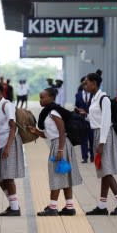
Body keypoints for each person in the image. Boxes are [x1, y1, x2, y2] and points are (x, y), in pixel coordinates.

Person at [83, 71, 117, 215]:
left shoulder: (103, 99)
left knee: (106, 170)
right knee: (104, 171)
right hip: (98, 133)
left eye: (87, 82)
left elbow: (105, 122)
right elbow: (97, 120)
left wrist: (102, 142)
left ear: (94, 83)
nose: (85, 85)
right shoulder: (94, 98)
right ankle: (102, 206)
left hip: (105, 135)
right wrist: (84, 115)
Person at [28, 88, 82, 216]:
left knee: (56, 175)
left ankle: (53, 207)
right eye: (40, 97)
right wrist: (36, 132)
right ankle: (69, 207)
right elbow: (49, 135)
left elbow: (62, 132)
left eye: (43, 97)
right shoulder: (47, 113)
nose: (41, 100)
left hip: (60, 145)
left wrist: (60, 150)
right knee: (64, 175)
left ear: (52, 98)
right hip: (57, 144)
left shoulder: (53, 112)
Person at [0, 81, 26, 216]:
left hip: (7, 143)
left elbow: (13, 126)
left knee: (8, 177)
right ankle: (13, 204)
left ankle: (15, 208)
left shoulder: (7, 105)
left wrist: (8, 148)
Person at [74, 77, 94, 163]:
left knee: (92, 139)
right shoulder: (78, 95)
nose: (85, 86)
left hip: (92, 120)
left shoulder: (94, 95)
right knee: (83, 139)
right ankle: (84, 157)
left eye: (87, 84)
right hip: (82, 121)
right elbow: (76, 106)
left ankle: (93, 156)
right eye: (84, 84)